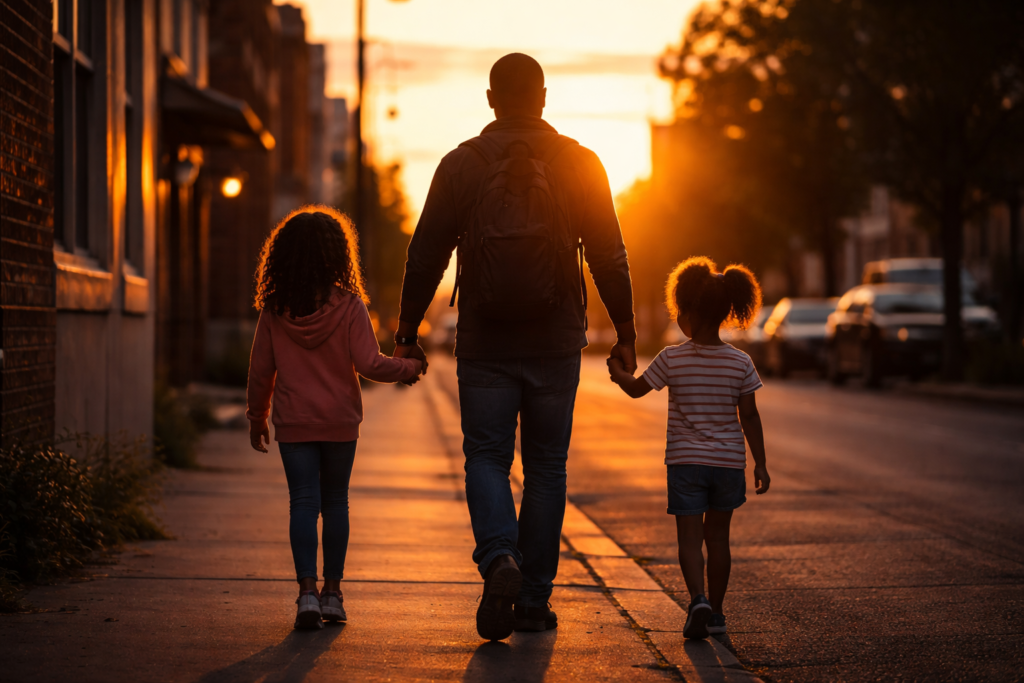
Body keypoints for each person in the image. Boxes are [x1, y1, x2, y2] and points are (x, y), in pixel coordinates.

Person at [392, 53, 636, 641]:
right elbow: (609, 255)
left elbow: (425, 253)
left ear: (490, 98)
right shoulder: (581, 162)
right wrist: (626, 334)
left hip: (486, 337)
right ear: (545, 97)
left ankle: (499, 557)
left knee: (487, 457)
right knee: (548, 466)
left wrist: (407, 333)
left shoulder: (460, 164)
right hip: (556, 338)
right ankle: (532, 599)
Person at [246, 207, 425, 630]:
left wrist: (258, 417)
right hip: (340, 423)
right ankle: (333, 594)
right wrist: (410, 368)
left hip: (294, 423)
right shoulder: (349, 306)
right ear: (337, 255)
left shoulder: (274, 310)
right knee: (336, 503)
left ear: (283, 256)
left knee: (303, 503)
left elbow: (260, 370)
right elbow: (369, 363)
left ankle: (306, 593)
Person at [606, 256, 770, 640]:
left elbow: (635, 389)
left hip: (685, 463)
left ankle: (696, 598)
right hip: (728, 463)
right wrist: (760, 463)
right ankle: (717, 612)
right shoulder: (740, 362)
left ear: (689, 313)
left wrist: (618, 373)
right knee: (718, 540)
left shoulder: (672, 358)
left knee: (689, 539)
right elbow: (750, 416)